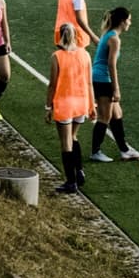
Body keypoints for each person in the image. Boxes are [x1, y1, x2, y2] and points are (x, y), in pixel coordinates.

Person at [87, 7, 139, 163]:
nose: (130, 23)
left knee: (117, 114)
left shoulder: (108, 34)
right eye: (129, 20)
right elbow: (111, 65)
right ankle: (95, 152)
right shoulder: (114, 39)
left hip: (99, 77)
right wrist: (116, 89)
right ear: (122, 21)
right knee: (104, 117)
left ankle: (124, 150)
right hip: (102, 79)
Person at [44, 22, 94, 193]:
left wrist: (48, 106)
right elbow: (89, 82)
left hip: (65, 103)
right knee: (73, 137)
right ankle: (79, 171)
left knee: (66, 143)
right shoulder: (85, 55)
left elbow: (53, 84)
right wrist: (91, 105)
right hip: (81, 102)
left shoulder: (57, 56)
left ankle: (71, 182)